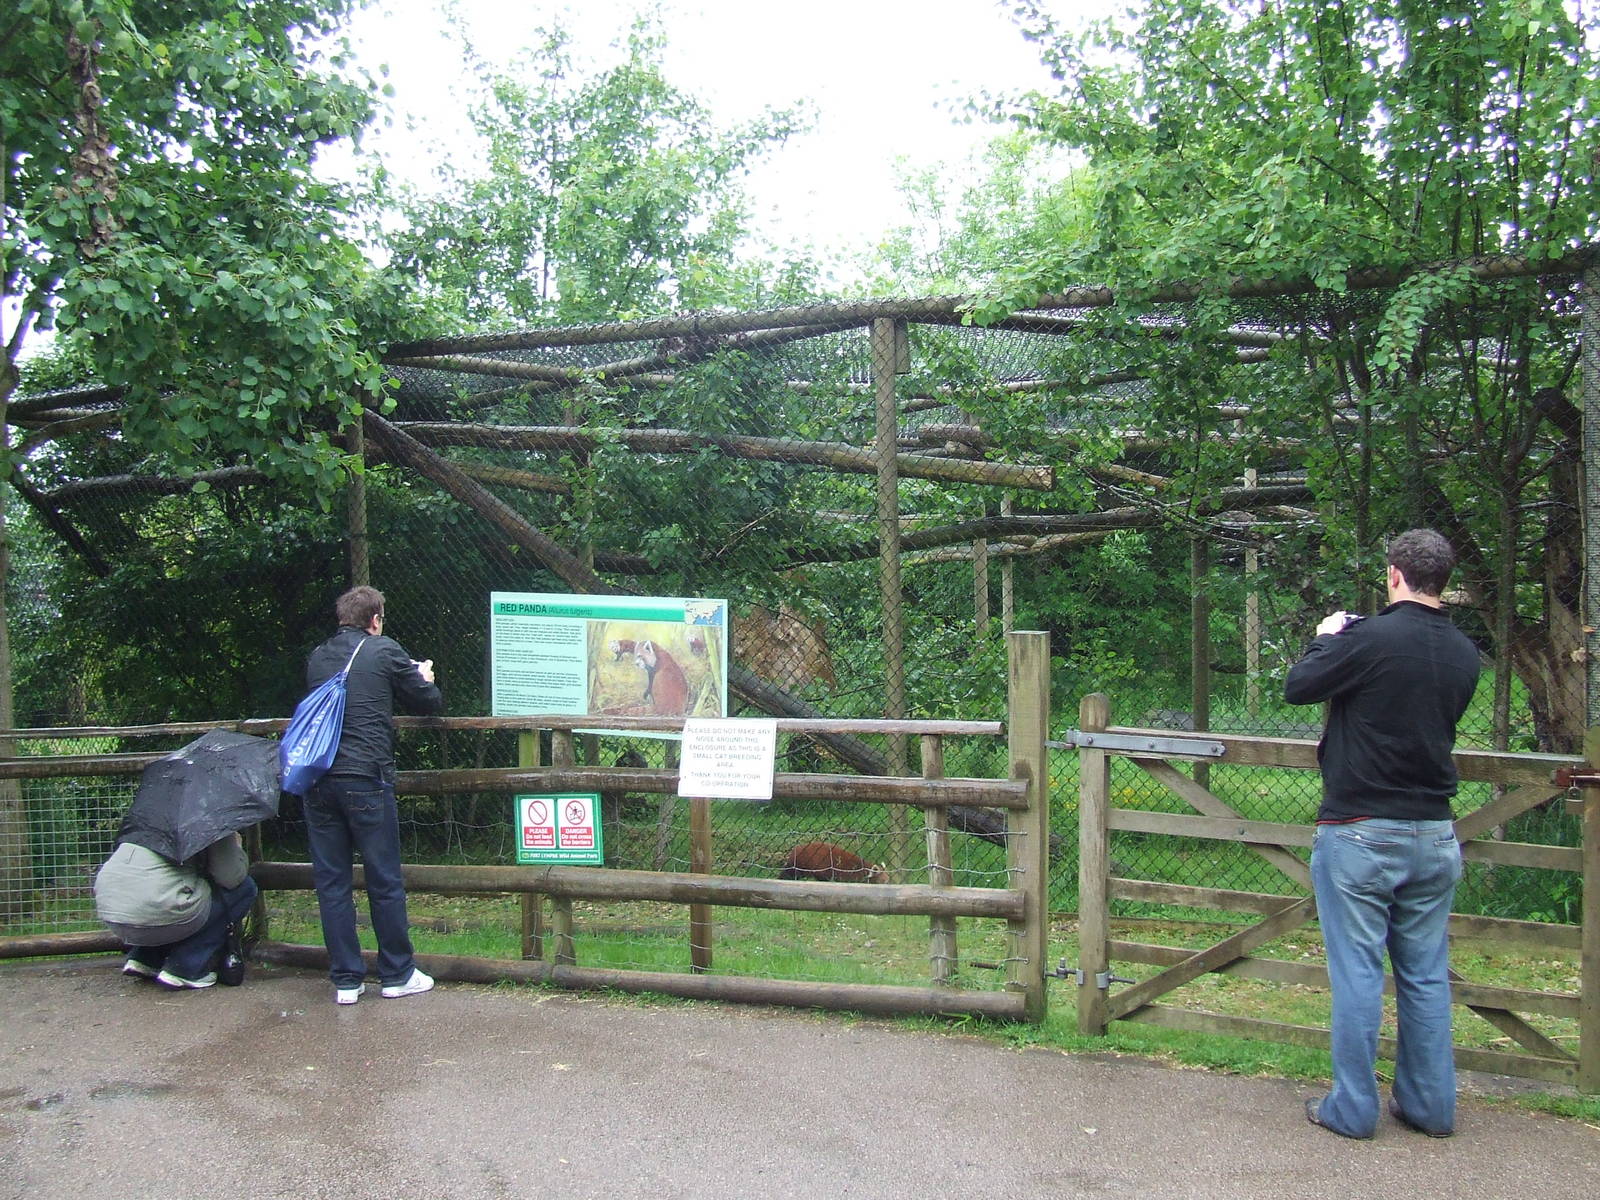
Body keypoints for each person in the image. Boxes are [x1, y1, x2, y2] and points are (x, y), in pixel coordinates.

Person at [1285, 529, 1481, 1139]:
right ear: (1442, 580)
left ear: (1393, 573)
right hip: (1435, 833)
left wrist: (1325, 638)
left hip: (1361, 829)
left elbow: (1299, 687)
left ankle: (1352, 1109)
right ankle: (1430, 1107)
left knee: (1359, 975)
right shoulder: (1464, 653)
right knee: (1424, 976)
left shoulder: (1366, 639)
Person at [301, 585, 442, 1005]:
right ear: (375, 619)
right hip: (365, 778)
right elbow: (429, 702)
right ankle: (397, 973)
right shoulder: (383, 650)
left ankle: (346, 979)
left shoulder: (318, 656)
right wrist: (424, 677)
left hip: (318, 779)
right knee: (383, 879)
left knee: (332, 883)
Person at [94, 830, 257, 990]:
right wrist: (236, 849)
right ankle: (186, 966)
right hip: (154, 912)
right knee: (245, 889)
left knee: (169, 887)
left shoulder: (148, 817)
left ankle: (145, 957)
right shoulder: (211, 822)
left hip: (113, 912)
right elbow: (230, 877)